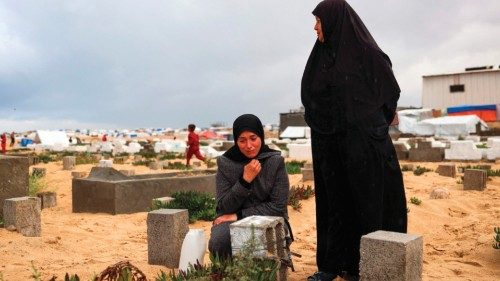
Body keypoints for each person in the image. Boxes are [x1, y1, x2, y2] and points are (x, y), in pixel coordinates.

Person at [301, 1, 407, 280]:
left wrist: (367, 126)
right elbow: (311, 97)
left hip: (364, 151)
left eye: (319, 21)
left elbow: (389, 94)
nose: (315, 27)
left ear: (334, 21)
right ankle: (332, 265)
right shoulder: (320, 59)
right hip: (331, 149)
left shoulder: (367, 54)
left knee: (367, 206)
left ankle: (367, 266)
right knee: (336, 206)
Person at [208, 114, 292, 258]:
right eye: (242, 140)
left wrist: (238, 215)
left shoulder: (275, 162)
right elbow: (224, 207)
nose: (249, 146)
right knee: (219, 242)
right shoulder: (225, 163)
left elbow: (278, 206)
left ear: (261, 137)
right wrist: (244, 181)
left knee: (266, 241)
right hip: (229, 217)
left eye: (253, 138)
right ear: (236, 141)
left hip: (268, 216)